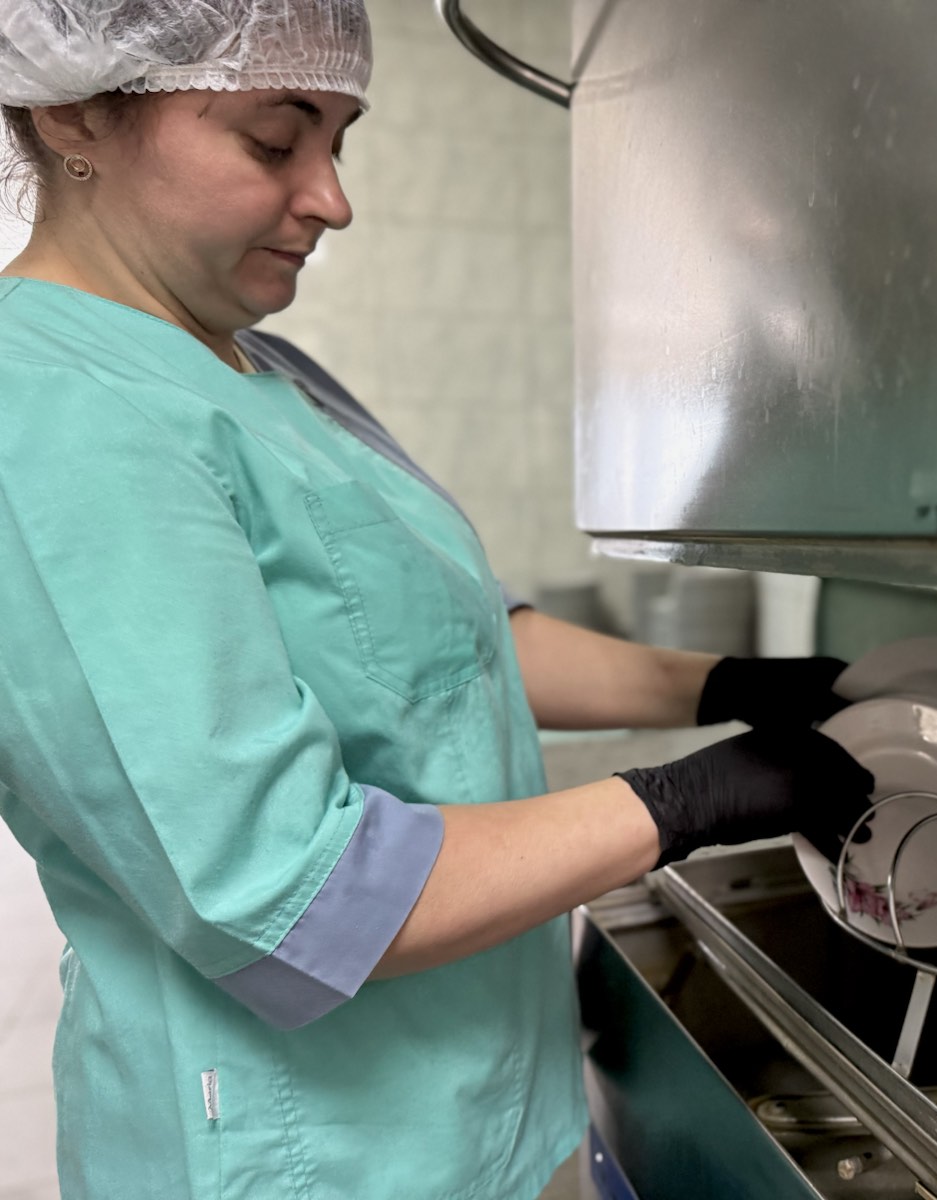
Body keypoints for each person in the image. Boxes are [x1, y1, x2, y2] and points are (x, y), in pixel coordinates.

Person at [0, 2, 874, 1197]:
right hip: (314, 1151)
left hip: (477, 1102)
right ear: (73, 112)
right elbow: (288, 893)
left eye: (338, 143)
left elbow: (461, 650)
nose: (331, 199)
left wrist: (748, 686)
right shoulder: (53, 413)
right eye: (274, 141)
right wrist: (687, 801)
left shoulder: (257, 368)